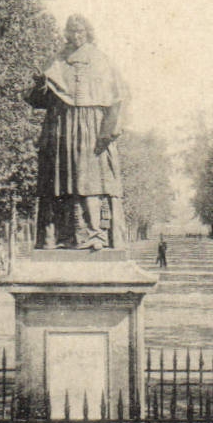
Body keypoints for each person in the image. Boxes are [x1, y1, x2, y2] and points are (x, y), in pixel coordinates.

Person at [25, 14, 126, 250]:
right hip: (62, 126)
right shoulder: (57, 61)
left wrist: (108, 130)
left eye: (80, 31)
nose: (76, 35)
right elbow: (39, 99)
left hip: (91, 125)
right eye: (72, 31)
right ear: (67, 34)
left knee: (91, 179)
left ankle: (96, 233)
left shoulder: (102, 61)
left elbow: (116, 98)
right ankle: (66, 234)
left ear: (88, 32)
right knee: (62, 181)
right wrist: (41, 86)